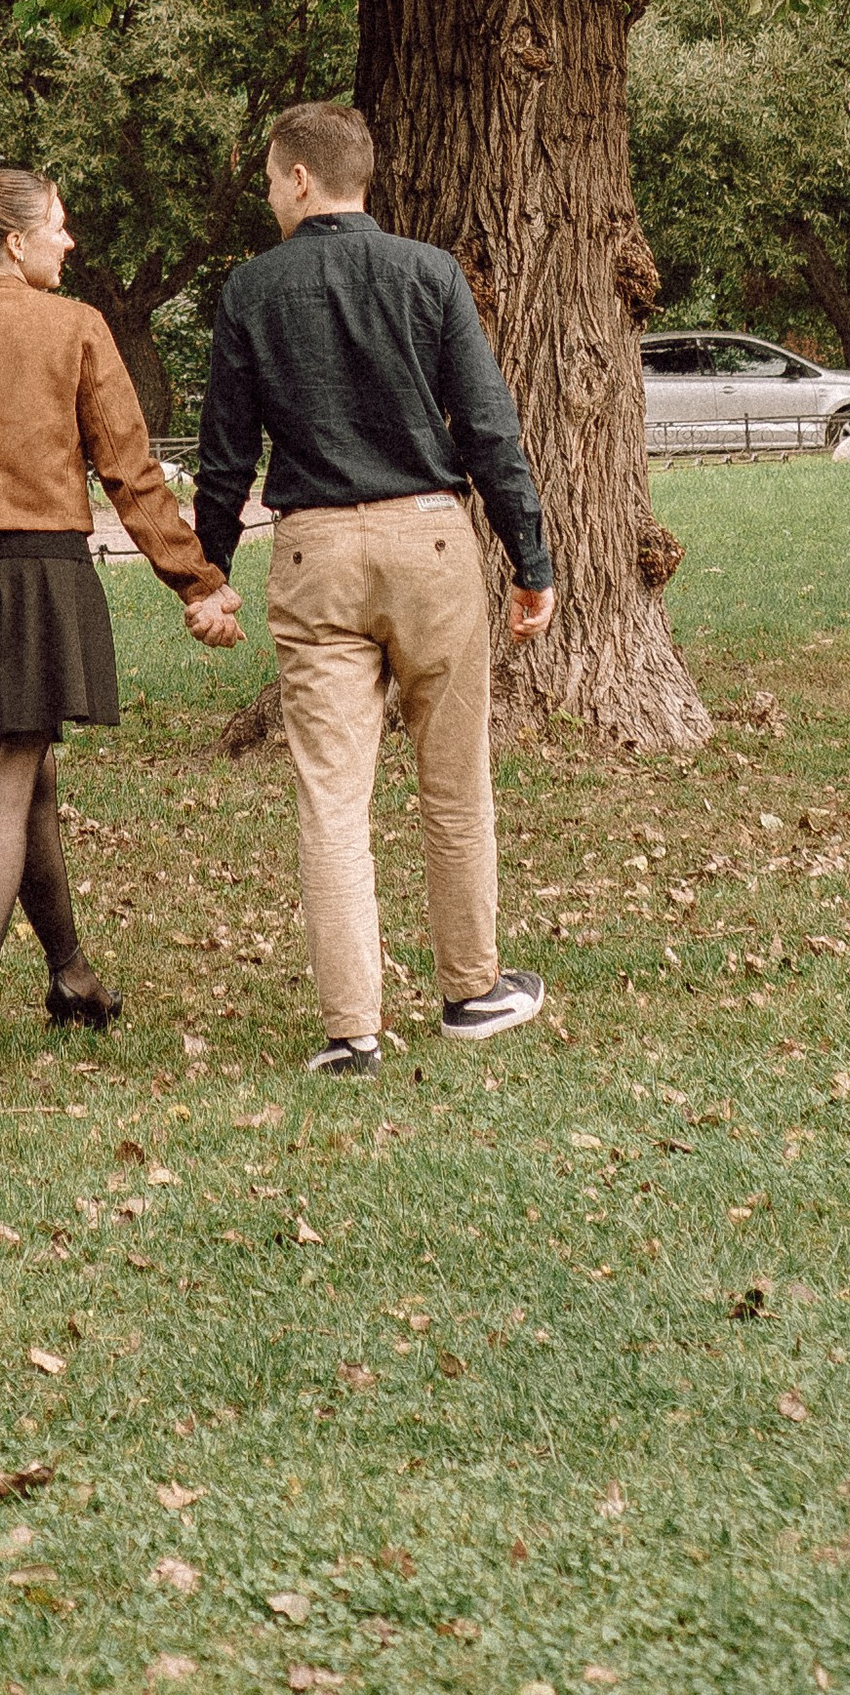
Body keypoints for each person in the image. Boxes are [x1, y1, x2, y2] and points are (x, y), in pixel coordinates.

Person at [0, 159, 244, 1080]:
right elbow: (131, 472)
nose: (70, 242)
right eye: (60, 227)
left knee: (28, 783)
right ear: (18, 239)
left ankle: (71, 977)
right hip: (34, 576)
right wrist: (196, 581)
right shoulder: (76, 328)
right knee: (1, 786)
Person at [195, 98, 556, 1076]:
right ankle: (472, 990)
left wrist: (209, 574)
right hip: (431, 547)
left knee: (330, 797)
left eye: (272, 179)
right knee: (453, 782)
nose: (270, 195)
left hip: (315, 556)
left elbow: (225, 453)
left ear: (302, 179)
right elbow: (486, 427)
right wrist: (531, 561)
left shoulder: (251, 291)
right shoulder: (428, 275)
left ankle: (352, 1029)